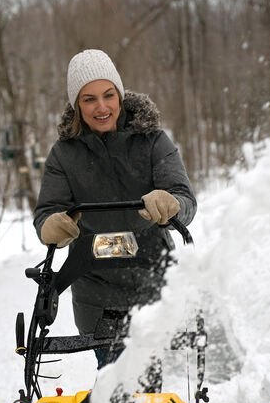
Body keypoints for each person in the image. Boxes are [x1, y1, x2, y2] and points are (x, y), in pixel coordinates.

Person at [33, 49, 196, 370]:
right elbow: (47, 212)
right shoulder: (64, 155)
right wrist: (52, 225)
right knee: (113, 374)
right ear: (77, 105)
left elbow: (184, 199)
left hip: (152, 279)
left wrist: (171, 203)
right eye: (89, 99)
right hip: (95, 291)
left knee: (147, 375)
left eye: (108, 95)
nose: (102, 107)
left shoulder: (152, 141)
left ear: (120, 95)